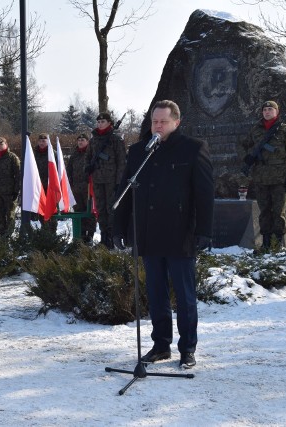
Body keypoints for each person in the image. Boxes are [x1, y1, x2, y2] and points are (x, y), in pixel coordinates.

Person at [113, 100, 214, 369]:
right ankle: (161, 345)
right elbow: (124, 192)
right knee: (156, 294)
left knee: (184, 295)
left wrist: (204, 230)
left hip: (180, 234)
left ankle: (187, 348)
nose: (157, 126)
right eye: (154, 121)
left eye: (163, 122)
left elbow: (204, 194)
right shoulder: (139, 152)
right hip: (149, 233)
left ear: (176, 122)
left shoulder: (193, 149)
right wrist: (118, 228)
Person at [242, 100, 286, 251]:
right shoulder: (255, 130)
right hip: (260, 178)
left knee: (278, 212)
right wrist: (247, 157)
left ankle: (277, 243)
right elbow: (242, 145)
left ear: (277, 112)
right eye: (265, 110)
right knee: (264, 212)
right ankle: (266, 243)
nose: (267, 112)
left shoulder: (285, 130)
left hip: (279, 179)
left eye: (270, 109)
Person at [85, 112, 126, 248]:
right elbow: (88, 157)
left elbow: (121, 162)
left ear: (110, 123)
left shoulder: (116, 140)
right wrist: (88, 168)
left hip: (111, 180)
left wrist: (119, 182)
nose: (100, 124)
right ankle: (103, 236)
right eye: (98, 122)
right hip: (97, 179)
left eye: (103, 122)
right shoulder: (93, 140)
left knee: (111, 208)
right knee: (101, 208)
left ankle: (111, 237)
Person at [0, 137, 21, 238]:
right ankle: (2, 235)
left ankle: (9, 235)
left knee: (10, 215)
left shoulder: (12, 157)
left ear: (6, 145)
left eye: (1, 145)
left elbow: (18, 175)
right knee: (0, 215)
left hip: (9, 193)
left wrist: (16, 191)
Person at [66, 133, 97, 244]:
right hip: (76, 189)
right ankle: (82, 234)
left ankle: (90, 234)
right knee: (78, 211)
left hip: (88, 188)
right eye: (78, 140)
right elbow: (69, 169)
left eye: (82, 140)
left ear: (87, 142)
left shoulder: (91, 153)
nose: (80, 142)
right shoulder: (74, 154)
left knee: (89, 212)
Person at [33, 133, 57, 233]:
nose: (42, 143)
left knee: (52, 211)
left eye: (44, 141)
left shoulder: (53, 154)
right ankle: (44, 230)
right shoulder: (33, 153)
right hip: (39, 187)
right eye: (40, 141)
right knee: (41, 211)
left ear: (48, 142)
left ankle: (52, 232)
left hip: (51, 187)